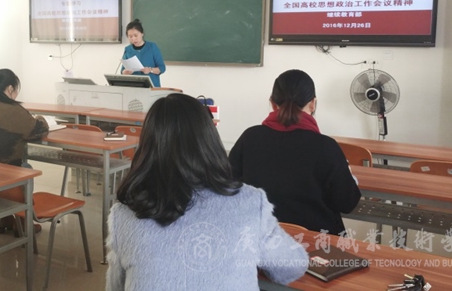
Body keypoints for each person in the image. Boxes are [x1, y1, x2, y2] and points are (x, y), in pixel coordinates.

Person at [107, 93, 308, 290]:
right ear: (210, 139)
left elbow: (115, 286)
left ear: (147, 145)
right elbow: (292, 267)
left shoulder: (124, 214)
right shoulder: (251, 202)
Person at [229, 69, 361, 235]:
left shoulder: (250, 137)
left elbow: (229, 187)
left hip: (258, 241)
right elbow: (347, 203)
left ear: (272, 103)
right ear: (313, 104)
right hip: (317, 245)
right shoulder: (326, 147)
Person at [121, 19, 166, 87]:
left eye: (136, 35)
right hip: (134, 86)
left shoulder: (152, 47)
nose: (133, 39)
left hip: (151, 87)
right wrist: (125, 72)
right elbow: (122, 71)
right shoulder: (128, 49)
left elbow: (162, 68)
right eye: (130, 36)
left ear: (142, 33)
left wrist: (150, 70)